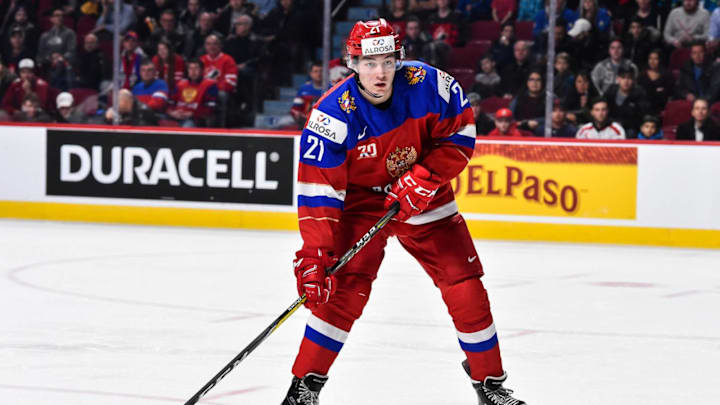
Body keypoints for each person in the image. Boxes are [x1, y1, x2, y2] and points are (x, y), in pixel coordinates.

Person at [283, 18, 526, 405]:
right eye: (368, 63)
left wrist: (427, 176)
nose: (379, 73)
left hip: (423, 193)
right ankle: (304, 387)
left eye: (386, 61)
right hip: (361, 205)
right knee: (343, 292)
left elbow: (460, 135)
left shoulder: (430, 86)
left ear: (399, 58)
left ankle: (490, 385)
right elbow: (320, 193)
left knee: (465, 286)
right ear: (352, 63)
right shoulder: (331, 116)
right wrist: (316, 253)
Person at [167, 58, 219, 127]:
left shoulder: (210, 85)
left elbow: (210, 109)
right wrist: (172, 112)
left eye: (196, 68)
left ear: (202, 71)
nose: (193, 71)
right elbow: (170, 103)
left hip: (195, 119)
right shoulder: (180, 84)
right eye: (190, 69)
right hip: (176, 116)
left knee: (187, 126)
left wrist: (193, 113)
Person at [603, 64, 650, 137]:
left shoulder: (640, 94)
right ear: (618, 79)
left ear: (633, 80)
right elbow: (603, 109)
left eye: (629, 78)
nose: (626, 81)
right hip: (610, 125)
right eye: (623, 77)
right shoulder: (611, 91)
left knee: (631, 133)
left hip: (630, 128)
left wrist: (623, 123)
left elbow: (641, 117)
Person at [201, 34, 237, 127]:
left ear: (220, 46)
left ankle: (221, 128)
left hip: (219, 91)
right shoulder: (201, 60)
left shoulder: (228, 60)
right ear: (205, 46)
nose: (211, 47)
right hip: (203, 90)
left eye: (215, 44)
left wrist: (212, 87)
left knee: (222, 95)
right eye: (208, 44)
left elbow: (231, 83)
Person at [637, 49, 673, 115]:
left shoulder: (667, 75)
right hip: (643, 109)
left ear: (660, 60)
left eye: (655, 59)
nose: (652, 61)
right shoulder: (642, 75)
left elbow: (669, 94)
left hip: (661, 109)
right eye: (650, 58)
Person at [290, 61, 325, 127]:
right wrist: (298, 115)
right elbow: (295, 109)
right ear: (311, 73)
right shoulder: (304, 88)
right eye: (316, 71)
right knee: (281, 122)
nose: (319, 74)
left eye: (321, 71)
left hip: (324, 122)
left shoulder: (332, 88)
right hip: (304, 120)